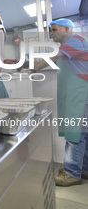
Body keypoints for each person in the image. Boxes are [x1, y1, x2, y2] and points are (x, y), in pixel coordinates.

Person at [34, 18, 88, 186]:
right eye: (50, 31)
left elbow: (54, 57)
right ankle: (82, 169)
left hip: (80, 95)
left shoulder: (76, 41)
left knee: (75, 134)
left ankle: (72, 173)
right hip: (75, 95)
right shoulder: (69, 46)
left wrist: (32, 68)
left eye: (54, 30)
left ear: (67, 29)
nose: (51, 34)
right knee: (82, 133)